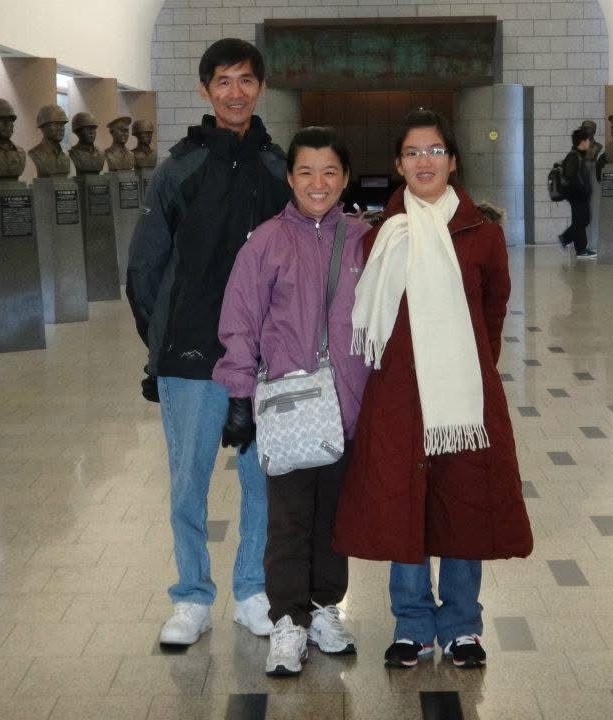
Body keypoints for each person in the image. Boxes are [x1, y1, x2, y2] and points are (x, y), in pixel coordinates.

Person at [332, 109, 534, 670]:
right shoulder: (381, 237)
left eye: (435, 150)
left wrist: (464, 375)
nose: (425, 161)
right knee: (406, 504)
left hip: (463, 395)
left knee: (464, 502)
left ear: (453, 161)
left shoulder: (481, 235)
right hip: (397, 395)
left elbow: (493, 312)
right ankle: (413, 624)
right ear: (398, 165)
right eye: (413, 153)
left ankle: (463, 624)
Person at [126, 38, 292, 648]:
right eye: (223, 81)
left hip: (266, 360)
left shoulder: (279, 169)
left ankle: (252, 590)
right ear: (205, 90)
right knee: (188, 483)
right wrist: (167, 343)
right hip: (191, 358)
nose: (235, 93)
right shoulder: (178, 169)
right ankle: (192, 596)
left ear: (261, 88)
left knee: (261, 482)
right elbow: (144, 269)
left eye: (246, 80)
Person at [213, 127, 371, 676]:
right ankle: (287, 620)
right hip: (289, 408)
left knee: (334, 517)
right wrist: (238, 393)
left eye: (329, 172)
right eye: (306, 171)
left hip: (348, 406)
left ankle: (325, 609)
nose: (317, 183)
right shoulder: (266, 243)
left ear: (345, 178)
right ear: (289, 177)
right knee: (288, 519)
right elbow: (239, 322)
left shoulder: (363, 241)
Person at [558, 127, 596, 259]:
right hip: (577, 196)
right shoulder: (573, 156)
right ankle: (566, 239)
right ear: (583, 142)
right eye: (588, 140)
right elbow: (571, 178)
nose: (589, 143)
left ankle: (581, 248)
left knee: (581, 221)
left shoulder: (579, 155)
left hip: (580, 196)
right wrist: (582, 190)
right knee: (581, 221)